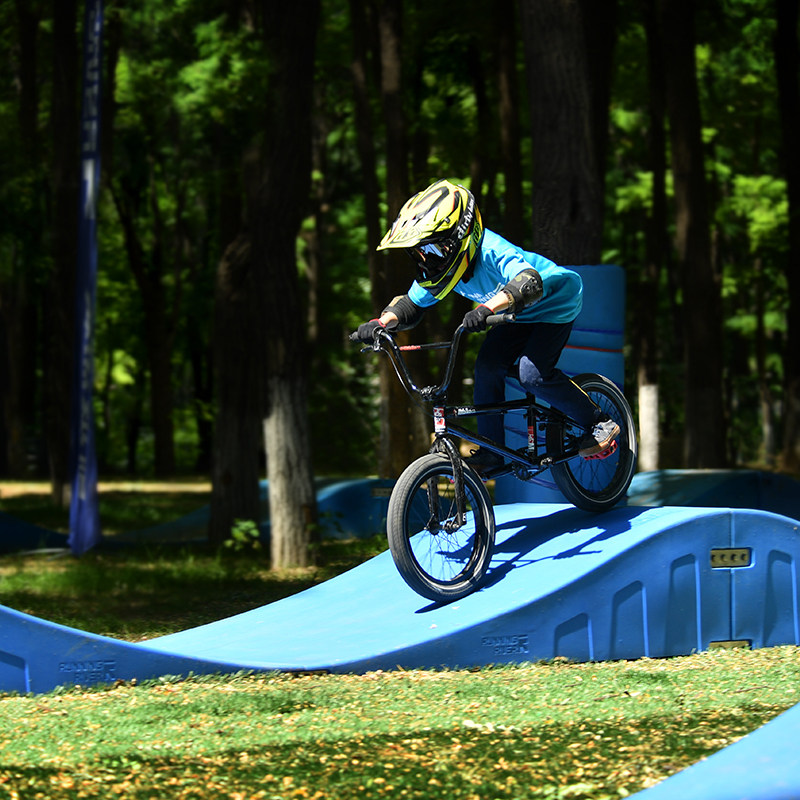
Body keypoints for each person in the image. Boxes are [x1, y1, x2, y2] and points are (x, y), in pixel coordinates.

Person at [353, 179, 620, 472]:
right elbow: (411, 305)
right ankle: (492, 451)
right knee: (487, 367)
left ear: (458, 238)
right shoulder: (444, 270)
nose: (428, 259)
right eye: (421, 253)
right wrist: (380, 323)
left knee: (531, 375)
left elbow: (528, 282)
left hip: (554, 305)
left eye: (433, 250)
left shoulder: (491, 251)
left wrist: (487, 308)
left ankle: (600, 422)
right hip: (514, 314)